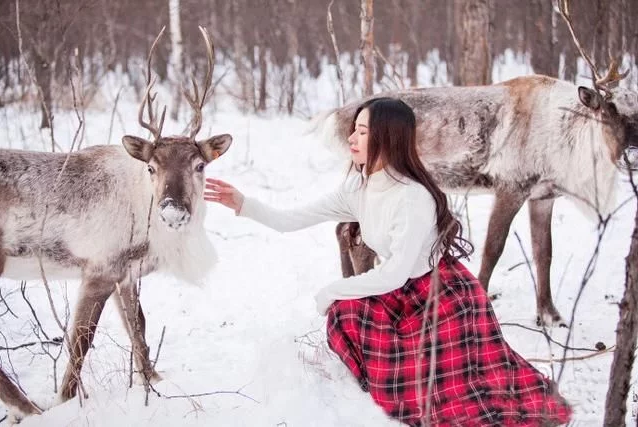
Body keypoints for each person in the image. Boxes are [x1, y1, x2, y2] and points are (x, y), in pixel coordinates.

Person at [204, 98, 572, 426]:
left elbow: (395, 273)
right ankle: (386, 382)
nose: (351, 138)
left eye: (362, 132)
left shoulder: (412, 197)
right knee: (345, 315)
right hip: (401, 292)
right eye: (354, 130)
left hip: (442, 303)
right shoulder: (361, 187)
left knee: (448, 398)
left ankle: (405, 388)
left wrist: (333, 288)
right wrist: (243, 204)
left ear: (386, 137)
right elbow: (293, 219)